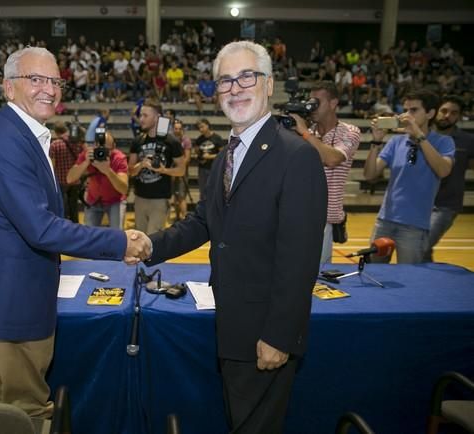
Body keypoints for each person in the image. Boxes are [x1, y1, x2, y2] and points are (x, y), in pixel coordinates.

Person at [0, 47, 151, 433]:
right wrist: (119, 243)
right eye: (36, 79)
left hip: (5, 296)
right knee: (23, 415)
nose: (49, 89)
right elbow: (41, 228)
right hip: (12, 304)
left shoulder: (18, 133)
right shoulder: (7, 141)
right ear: (8, 88)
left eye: (54, 80)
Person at [145, 41, 326, 434]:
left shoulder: (297, 156)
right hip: (232, 323)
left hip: (265, 332)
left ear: (269, 84)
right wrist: (148, 245)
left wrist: (279, 335)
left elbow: (300, 259)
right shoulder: (227, 155)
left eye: (247, 76)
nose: (235, 87)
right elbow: (202, 223)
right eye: (225, 80)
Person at [364, 90, 455, 264]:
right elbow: (369, 175)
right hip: (385, 221)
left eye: (413, 110)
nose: (407, 115)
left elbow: (443, 171)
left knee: (409, 278)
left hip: (415, 226)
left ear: (430, 113)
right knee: (374, 273)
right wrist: (376, 142)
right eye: (405, 110)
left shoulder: (444, 142)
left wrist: (419, 136)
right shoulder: (396, 142)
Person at [291, 81, 360, 263]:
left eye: (317, 102)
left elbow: (332, 159)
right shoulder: (304, 132)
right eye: (310, 102)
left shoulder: (350, 131)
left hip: (323, 218)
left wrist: (305, 133)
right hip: (297, 214)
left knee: (315, 274)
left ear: (333, 103)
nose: (311, 107)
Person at [424, 96, 474, 261]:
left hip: (446, 205)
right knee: (421, 248)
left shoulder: (468, 140)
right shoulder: (423, 136)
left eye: (453, 113)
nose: (447, 116)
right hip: (419, 203)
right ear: (435, 112)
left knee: (422, 245)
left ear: (458, 117)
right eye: (444, 111)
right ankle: (425, 277)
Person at [128, 100, 185, 234]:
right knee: (140, 241)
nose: (141, 119)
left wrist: (163, 170)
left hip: (160, 199)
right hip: (139, 198)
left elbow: (181, 170)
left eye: (145, 116)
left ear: (157, 117)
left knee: (153, 241)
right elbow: (130, 171)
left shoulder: (171, 141)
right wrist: (141, 165)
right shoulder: (137, 141)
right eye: (140, 115)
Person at [66, 131, 128, 229]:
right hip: (93, 200)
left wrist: (108, 171)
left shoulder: (119, 158)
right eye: (99, 148)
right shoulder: (88, 154)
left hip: (115, 201)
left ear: (114, 146)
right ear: (95, 145)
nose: (102, 152)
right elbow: (70, 179)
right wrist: (86, 162)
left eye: (107, 149)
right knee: (90, 236)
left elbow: (124, 189)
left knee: (117, 235)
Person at [49, 121, 82, 223]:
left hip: (61, 181)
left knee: (63, 207)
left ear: (56, 132)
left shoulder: (55, 144)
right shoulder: (77, 143)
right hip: (75, 180)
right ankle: (76, 227)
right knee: (74, 207)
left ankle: (65, 227)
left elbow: (52, 166)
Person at [193, 118, 225, 201]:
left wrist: (210, 156)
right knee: (203, 191)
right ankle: (204, 211)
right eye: (199, 128)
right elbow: (197, 153)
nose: (201, 129)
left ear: (208, 125)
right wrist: (200, 158)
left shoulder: (217, 138)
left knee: (214, 190)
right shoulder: (199, 140)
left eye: (202, 127)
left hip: (214, 168)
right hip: (203, 168)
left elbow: (222, 154)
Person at [172, 119, 192, 221]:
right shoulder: (170, 140)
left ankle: (184, 219)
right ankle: (177, 217)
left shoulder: (186, 140)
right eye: (175, 128)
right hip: (169, 172)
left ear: (182, 129)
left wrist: (178, 171)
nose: (177, 130)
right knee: (175, 197)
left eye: (179, 128)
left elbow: (187, 158)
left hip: (182, 173)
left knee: (181, 197)